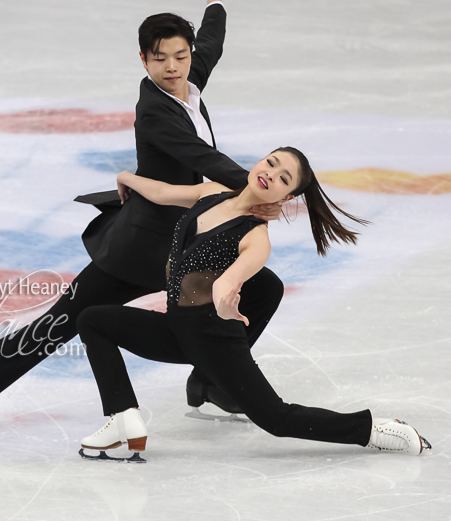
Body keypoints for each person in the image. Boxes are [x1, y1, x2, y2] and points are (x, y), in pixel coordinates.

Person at [0, 0, 284, 449]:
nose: (172, 67)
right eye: (160, 58)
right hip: (143, 248)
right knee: (58, 325)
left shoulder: (189, 80)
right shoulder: (156, 112)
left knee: (264, 289)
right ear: (143, 60)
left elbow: (210, 43)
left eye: (180, 55)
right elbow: (205, 159)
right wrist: (257, 188)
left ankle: (213, 381)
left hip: (190, 241)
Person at [76, 147, 432, 461]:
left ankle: (373, 430)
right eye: (271, 163)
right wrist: (125, 177)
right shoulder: (212, 193)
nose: (270, 174)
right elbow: (163, 193)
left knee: (277, 419)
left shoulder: (255, 238)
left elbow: (228, 283)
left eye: (283, 178)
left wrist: (226, 303)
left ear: (287, 195)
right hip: (174, 328)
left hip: (214, 338)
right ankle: (123, 418)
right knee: (93, 320)